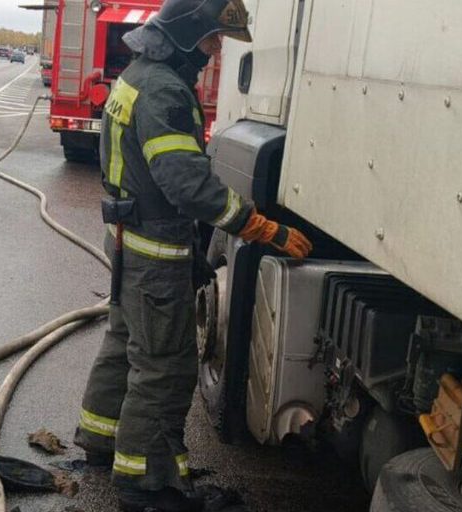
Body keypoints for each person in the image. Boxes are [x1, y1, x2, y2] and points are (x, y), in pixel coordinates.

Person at [73, 1, 312, 510]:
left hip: (129, 238)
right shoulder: (164, 90)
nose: (215, 49)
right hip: (154, 250)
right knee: (164, 365)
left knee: (125, 341)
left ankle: (101, 439)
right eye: (211, 39)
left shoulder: (137, 75)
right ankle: (147, 483)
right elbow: (187, 185)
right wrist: (261, 227)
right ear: (186, 35)